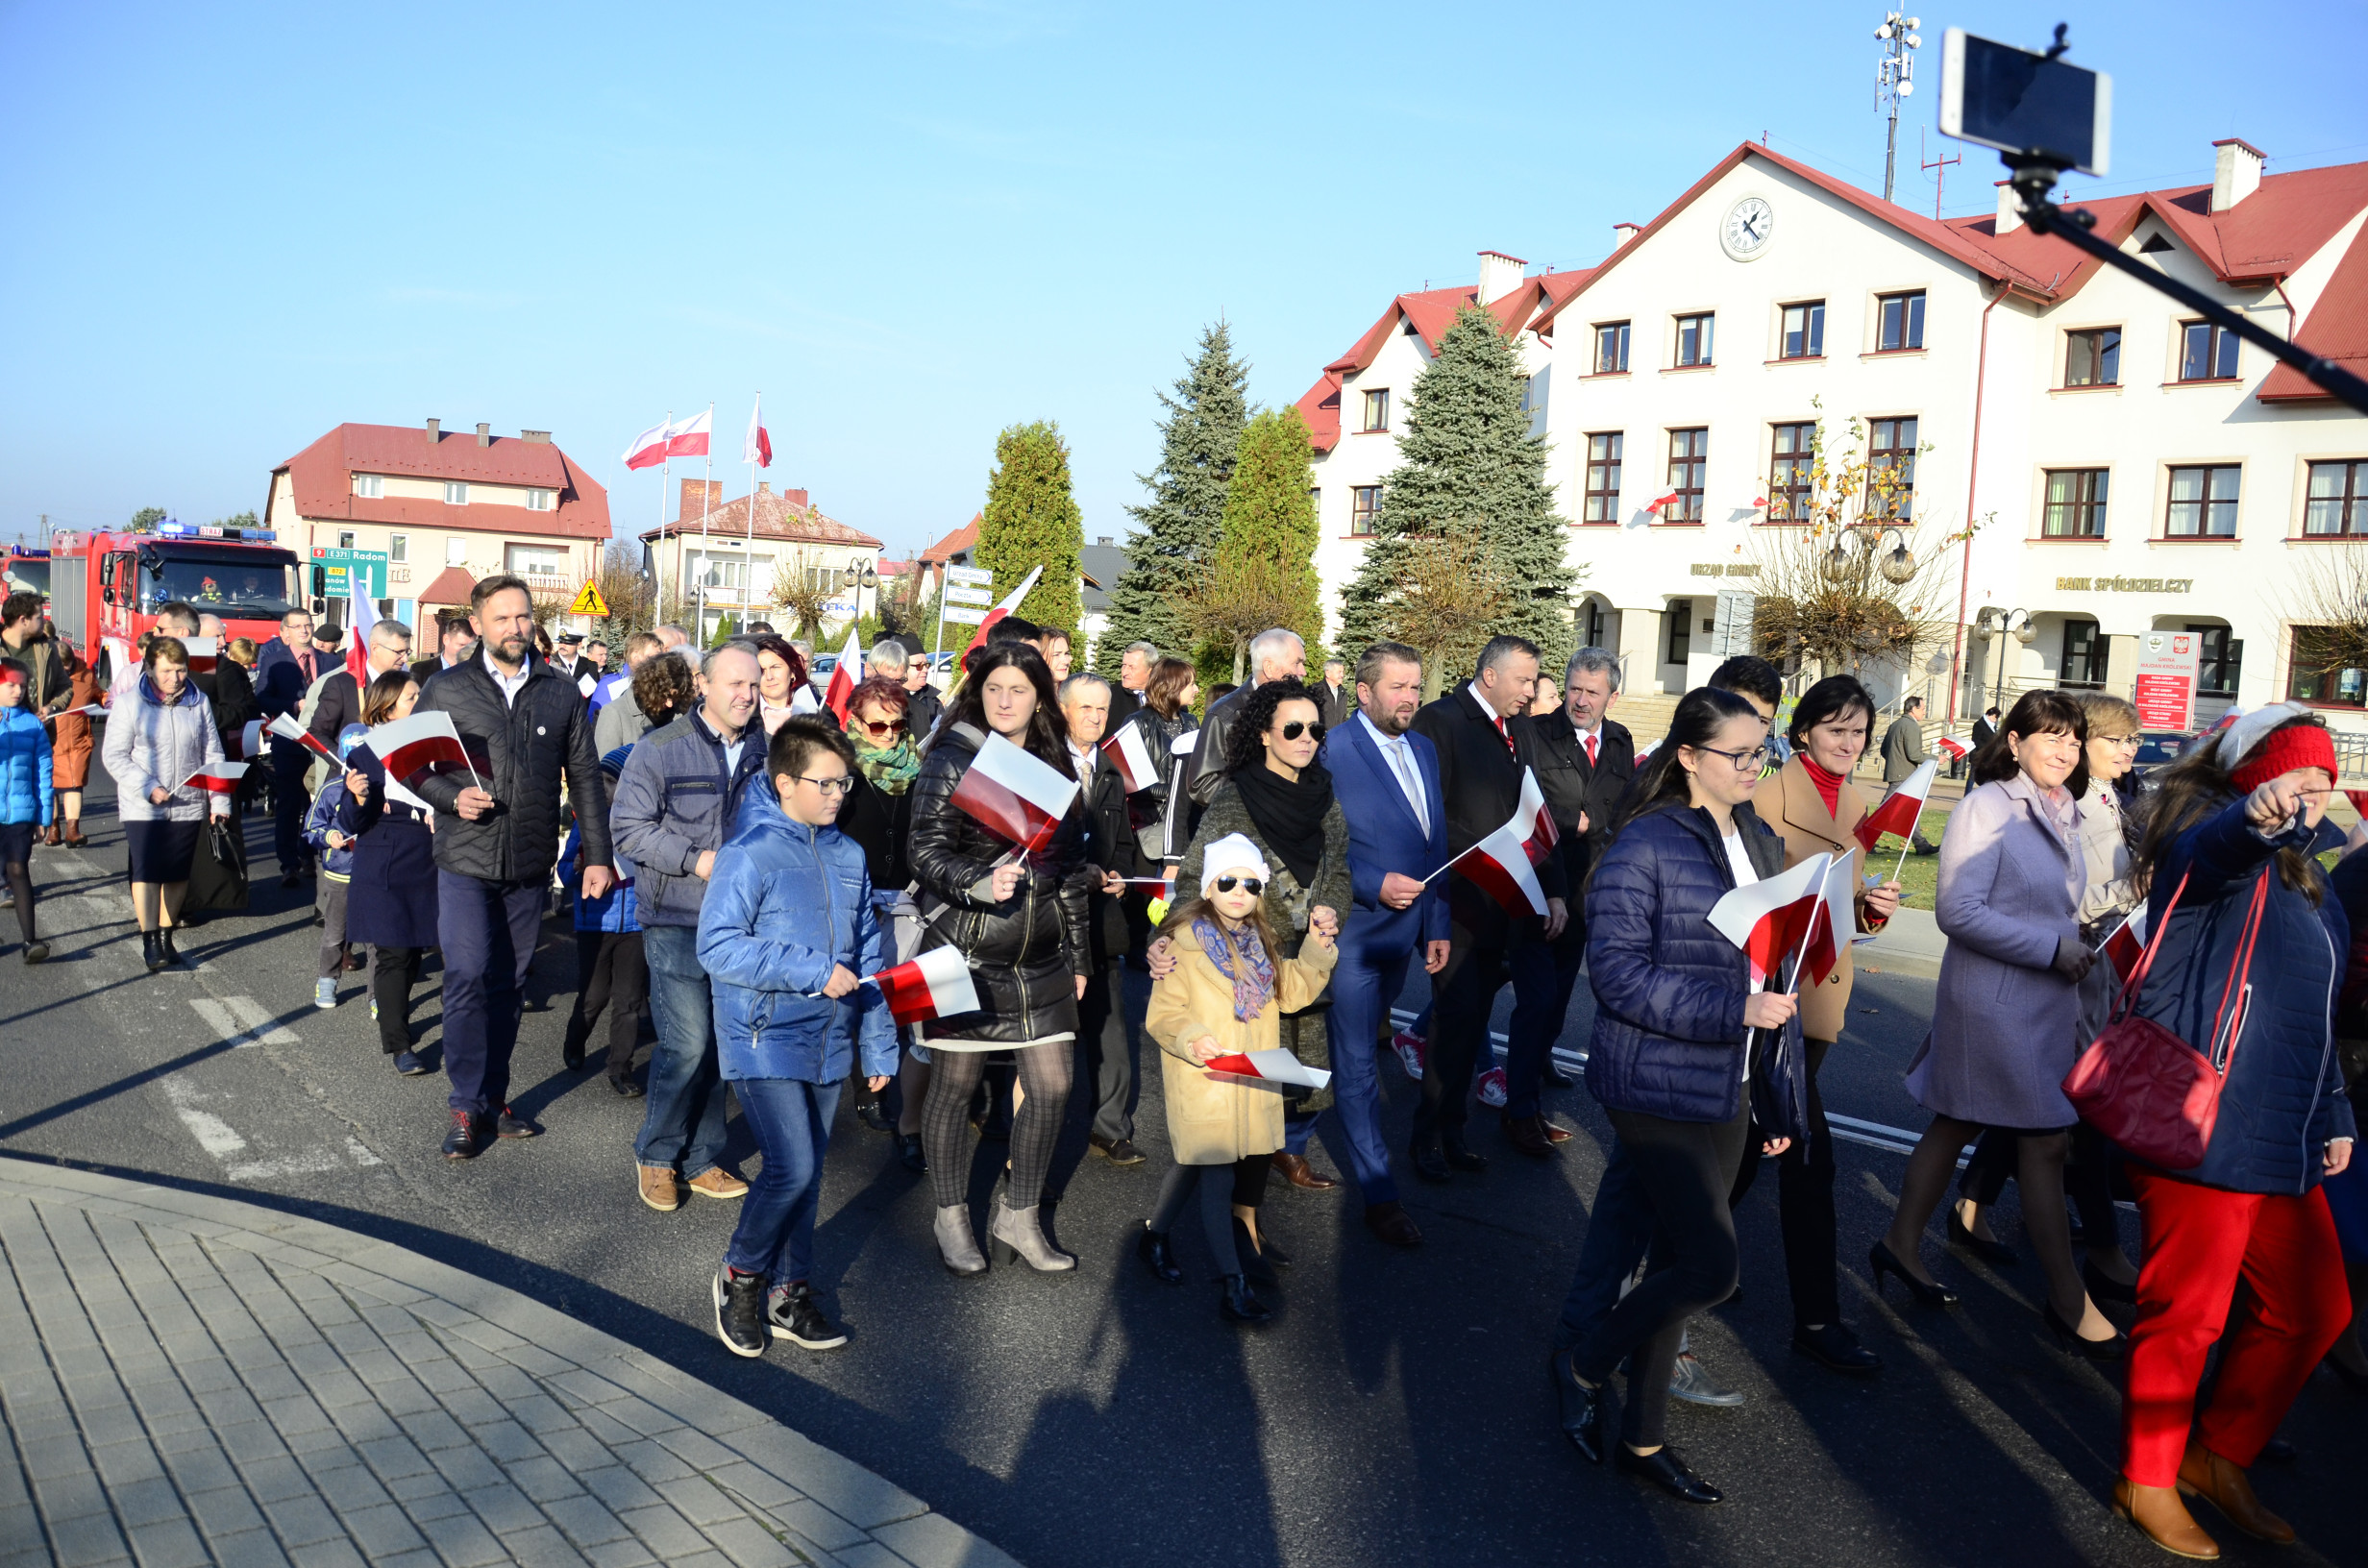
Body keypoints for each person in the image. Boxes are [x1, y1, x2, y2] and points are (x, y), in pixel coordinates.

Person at [2107, 704, 2360, 1558]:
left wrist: (2335, 1113)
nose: (2316, 798)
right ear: (2257, 782)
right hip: (2199, 1124)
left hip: (2285, 1135)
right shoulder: (2211, 850)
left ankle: (2217, 1455)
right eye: (2300, 779)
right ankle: (2145, 1477)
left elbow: (2312, 1020)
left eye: (2326, 783)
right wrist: (2247, 826)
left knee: (2314, 1308)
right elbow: (2205, 857)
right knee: (2188, 1316)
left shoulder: (2313, 885)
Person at [1549, 685, 1806, 1506]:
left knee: (1675, 1261)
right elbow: (1618, 978)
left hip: (1730, 1077)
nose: (1752, 767)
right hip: (1653, 1080)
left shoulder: (1758, 839)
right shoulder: (1645, 845)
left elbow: (1774, 957)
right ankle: (1586, 1361)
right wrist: (1733, 1008)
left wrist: (1775, 1091)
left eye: (1761, 752)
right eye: (1738, 753)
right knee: (1710, 1265)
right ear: (1688, 758)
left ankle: (1644, 1437)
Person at [1873, 690, 2121, 1356]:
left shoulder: (2065, 807)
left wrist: (2086, 933)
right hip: (1994, 1000)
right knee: (2038, 1139)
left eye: (2073, 740)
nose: (2065, 751)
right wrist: (2051, 948)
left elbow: (2048, 902)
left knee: (1960, 1120)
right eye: (2051, 737)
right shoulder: (1987, 805)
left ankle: (1900, 1243)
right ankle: (2068, 1296)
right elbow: (1957, 910)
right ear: (2013, 742)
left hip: (2043, 1002)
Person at [703, 716, 900, 1358]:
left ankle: (790, 1293)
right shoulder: (749, 852)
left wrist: (877, 1043)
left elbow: (868, 955)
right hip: (761, 1034)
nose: (840, 793)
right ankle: (741, 1277)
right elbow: (718, 947)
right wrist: (813, 970)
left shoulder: (848, 854)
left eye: (846, 782)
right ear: (785, 783)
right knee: (791, 1166)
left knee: (808, 1176)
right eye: (827, 782)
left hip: (829, 1040)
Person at [409, 576, 614, 1161]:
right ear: (477, 625)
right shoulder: (448, 688)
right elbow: (410, 765)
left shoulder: (559, 691)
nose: (515, 629)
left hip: (528, 862)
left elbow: (585, 779)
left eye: (523, 617)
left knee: (509, 983)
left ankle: (494, 1100)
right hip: (465, 858)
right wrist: (450, 798)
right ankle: (465, 1104)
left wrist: (595, 855)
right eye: (502, 619)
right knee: (469, 973)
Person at [1732, 674, 1901, 1375]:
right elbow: (1752, 906)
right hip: (1774, 1002)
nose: (1849, 742)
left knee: (1749, 1146)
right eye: (1835, 728)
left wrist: (1873, 908)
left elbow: (1847, 906)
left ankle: (1687, 1255)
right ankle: (1816, 1319)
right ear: (1802, 733)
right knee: (1804, 1154)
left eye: (1859, 731)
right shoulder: (1767, 798)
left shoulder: (1861, 802)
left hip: (1822, 998)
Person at [1952, 692, 2146, 1295]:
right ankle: (2092, 1264)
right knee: (2060, 1117)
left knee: (2028, 1112)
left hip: (2087, 973)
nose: (2127, 750)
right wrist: (2132, 887)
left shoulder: (2103, 796)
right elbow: (2040, 906)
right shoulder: (2027, 805)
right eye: (2113, 739)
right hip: (2054, 972)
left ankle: (1967, 1208)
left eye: (2132, 740)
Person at [907, 641, 1091, 1276]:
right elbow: (923, 852)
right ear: (977, 692)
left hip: (1038, 957)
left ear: (1040, 696)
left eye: (1019, 690)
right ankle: (951, 1214)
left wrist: (1081, 956)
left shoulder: (1055, 768)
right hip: (958, 951)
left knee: (1054, 1086)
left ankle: (1020, 1214)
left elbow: (1066, 872)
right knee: (953, 1085)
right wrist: (979, 883)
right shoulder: (952, 756)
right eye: (994, 689)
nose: (1006, 701)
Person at [1141, 835, 1340, 1320]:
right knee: (1215, 1174)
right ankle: (1233, 1284)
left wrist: (1317, 947)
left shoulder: (1261, 942)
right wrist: (1193, 1039)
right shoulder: (1180, 947)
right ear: (1208, 887)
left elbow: (1290, 993)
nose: (1238, 891)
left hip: (1249, 1082)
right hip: (1205, 1080)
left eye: (1250, 884)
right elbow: (1163, 1015)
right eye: (1227, 880)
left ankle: (1154, 1235)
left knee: (1194, 1166)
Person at [1173, 678, 1350, 1194]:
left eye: (1315, 729)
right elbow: (1193, 880)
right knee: (1254, 1079)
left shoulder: (1324, 794)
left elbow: (1339, 868)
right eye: (1292, 729)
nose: (1306, 738)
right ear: (1265, 736)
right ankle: (1235, 1194)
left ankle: (1290, 1150)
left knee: (1305, 1065)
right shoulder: (1236, 800)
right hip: (1250, 961)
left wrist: (1331, 912)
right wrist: (1189, 940)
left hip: (1309, 954)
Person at [609, 644, 767, 1210]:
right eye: (734, 684)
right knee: (688, 1041)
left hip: (741, 924)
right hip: (676, 915)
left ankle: (702, 1157)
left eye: (754, 685)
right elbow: (628, 829)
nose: (746, 695)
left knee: (724, 1045)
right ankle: (656, 1154)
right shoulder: (660, 749)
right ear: (703, 684)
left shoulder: (765, 750)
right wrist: (697, 859)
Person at [1409, 635, 1568, 1178]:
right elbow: (1429, 820)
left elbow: (1533, 815)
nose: (1532, 691)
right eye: (1525, 680)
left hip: (1506, 907)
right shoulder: (1441, 722)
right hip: (1457, 907)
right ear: (1491, 675)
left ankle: (1454, 1133)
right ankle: (1425, 1137)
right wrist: (1487, 849)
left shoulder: (1519, 730)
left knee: (1473, 1024)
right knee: (1452, 1024)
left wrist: (1553, 888)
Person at [1316, 642, 1448, 1246]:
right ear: (1364, 692)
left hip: (1406, 937)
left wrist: (1436, 925)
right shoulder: (1331, 750)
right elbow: (1315, 845)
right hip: (1353, 938)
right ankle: (1379, 1192)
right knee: (1358, 1065)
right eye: (1398, 687)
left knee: (1354, 1054)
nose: (1410, 698)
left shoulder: (1423, 749)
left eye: (1416, 687)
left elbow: (1435, 843)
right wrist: (1371, 885)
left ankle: (1286, 1140)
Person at [1507, 647, 1634, 1146]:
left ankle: (1539, 1063)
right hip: (1539, 887)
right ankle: (1519, 1112)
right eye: (1574, 688)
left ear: (1612, 696)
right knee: (1535, 1002)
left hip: (1588, 891)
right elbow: (1523, 809)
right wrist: (1569, 824)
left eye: (1593, 692)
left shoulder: (1620, 743)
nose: (1580, 701)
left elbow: (1621, 811)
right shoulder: (1536, 734)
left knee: (1559, 997)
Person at [563, 659, 690, 1096]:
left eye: (619, 784)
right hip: (595, 921)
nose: (612, 792)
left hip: (637, 919)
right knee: (594, 996)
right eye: (606, 784)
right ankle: (575, 1039)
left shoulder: (650, 824)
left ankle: (620, 1067)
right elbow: (565, 867)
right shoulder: (589, 824)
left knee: (630, 1000)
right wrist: (576, 867)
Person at [104, 636, 232, 972]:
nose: (175, 678)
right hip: (143, 804)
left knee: (177, 874)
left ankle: (165, 933)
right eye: (166, 671)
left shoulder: (198, 701)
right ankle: (149, 939)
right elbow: (114, 755)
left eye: (180, 670)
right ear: (149, 668)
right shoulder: (131, 704)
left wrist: (220, 801)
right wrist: (148, 786)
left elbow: (212, 753)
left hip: (188, 801)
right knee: (148, 871)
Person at [1058, 673, 1145, 1167]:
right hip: (1052, 921)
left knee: (1112, 1027)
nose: (1094, 718)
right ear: (1064, 710)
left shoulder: (1111, 770)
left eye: (1101, 710)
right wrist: (1077, 871)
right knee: (1049, 1032)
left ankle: (1110, 1127)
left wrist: (1118, 874)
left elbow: (1126, 846)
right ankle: (1016, 1119)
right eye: (1085, 709)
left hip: (1101, 920)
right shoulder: (1044, 763)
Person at [836, 675, 921, 1144]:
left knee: (893, 993)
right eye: (877, 726)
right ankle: (864, 1089)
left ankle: (885, 1081)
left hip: (904, 895)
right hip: (855, 895)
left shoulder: (918, 767)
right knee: (859, 991)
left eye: (897, 724)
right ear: (855, 722)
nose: (889, 734)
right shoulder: (843, 769)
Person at [345, 670, 440, 1076]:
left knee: (416, 950)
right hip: (385, 860)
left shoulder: (434, 746)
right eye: (410, 698)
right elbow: (353, 821)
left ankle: (401, 1027)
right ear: (386, 707)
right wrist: (359, 795)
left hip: (428, 857)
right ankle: (399, 1044)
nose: (418, 704)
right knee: (393, 953)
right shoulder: (365, 752)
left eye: (420, 695)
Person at [1187, 628, 1305, 805]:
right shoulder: (1226, 714)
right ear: (1269, 667)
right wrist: (1262, 787)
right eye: (1297, 663)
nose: (1303, 671)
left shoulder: (1300, 708)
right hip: (1243, 829)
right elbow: (1202, 785)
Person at [303, 727, 371, 1008]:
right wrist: (328, 836)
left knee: (377, 939)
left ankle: (378, 995)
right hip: (340, 873)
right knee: (335, 934)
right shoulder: (331, 790)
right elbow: (311, 827)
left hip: (372, 873)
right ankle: (327, 981)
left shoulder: (380, 789)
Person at [256, 606, 322, 887]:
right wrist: (294, 706)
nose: (305, 630)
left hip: (321, 743)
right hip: (289, 740)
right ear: (285, 633)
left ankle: (309, 855)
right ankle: (289, 863)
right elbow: (261, 698)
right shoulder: (273, 661)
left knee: (317, 803)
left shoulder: (330, 660)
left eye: (308, 625)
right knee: (289, 803)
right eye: (297, 627)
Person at [0, 657, 55, 962]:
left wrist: (43, 816)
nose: (18, 691)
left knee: (18, 869)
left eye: (22, 686)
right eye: (11, 685)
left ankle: (30, 941)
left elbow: (43, 772)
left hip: (22, 812)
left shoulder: (33, 724)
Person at [309, 621, 411, 757]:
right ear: (375, 648)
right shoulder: (343, 684)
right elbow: (316, 733)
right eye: (399, 652)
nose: (404, 658)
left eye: (407, 652)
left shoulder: (408, 683)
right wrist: (345, 761)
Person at [45, 640, 99, 848]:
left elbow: (98, 694)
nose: (65, 670)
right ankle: (53, 828)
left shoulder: (86, 675)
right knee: (50, 786)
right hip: (51, 739)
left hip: (78, 741)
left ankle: (72, 830)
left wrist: (108, 702)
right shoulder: (44, 680)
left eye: (67, 666)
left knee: (74, 784)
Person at [1882, 697, 1939, 854]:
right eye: (1923, 708)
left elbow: (1883, 750)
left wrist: (1895, 761)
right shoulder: (1911, 726)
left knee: (1910, 811)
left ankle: (1921, 845)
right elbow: (1914, 755)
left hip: (1898, 773)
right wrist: (1936, 759)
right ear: (1913, 709)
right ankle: (1864, 842)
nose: (1924, 711)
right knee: (1884, 812)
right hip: (1903, 775)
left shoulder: (1896, 724)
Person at [1, 593, 68, 722]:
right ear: (23, 620)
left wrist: (51, 708)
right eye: (39, 617)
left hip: (39, 736)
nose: (45, 621)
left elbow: (65, 688)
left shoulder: (48, 650)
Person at [749, 633, 816, 734]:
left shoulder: (815, 709)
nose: (769, 677)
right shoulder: (746, 716)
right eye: (761, 670)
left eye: (775, 667)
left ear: (792, 670)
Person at [410, 608, 477, 683]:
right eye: (461, 645)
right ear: (446, 640)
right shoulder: (420, 670)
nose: (467, 650)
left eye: (471, 646)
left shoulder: (479, 671)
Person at [1107, 640, 1157, 728]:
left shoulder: (1168, 697)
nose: (1124, 672)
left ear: (1150, 670)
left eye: (1131, 667)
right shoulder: (1109, 695)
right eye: (1123, 665)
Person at [901, 646, 944, 739]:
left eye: (926, 665)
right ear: (902, 669)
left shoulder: (933, 701)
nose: (925, 670)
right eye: (919, 665)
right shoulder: (891, 701)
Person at [1314, 658, 1351, 731]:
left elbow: (1343, 718)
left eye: (1343, 672)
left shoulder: (1343, 693)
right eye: (1339, 672)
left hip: (1337, 738)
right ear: (1328, 673)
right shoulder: (1317, 690)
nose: (1342, 675)